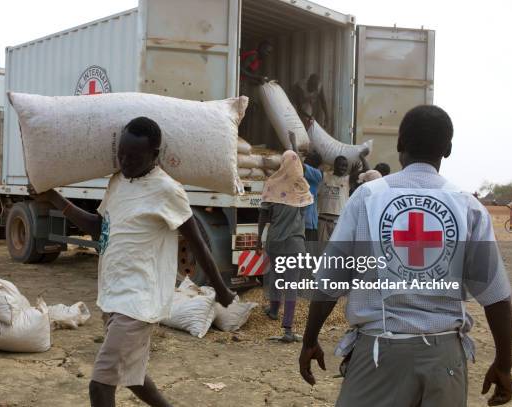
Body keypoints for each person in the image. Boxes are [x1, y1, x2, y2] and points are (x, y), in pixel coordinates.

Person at [299, 105, 512, 406]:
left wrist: (309, 341)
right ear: (448, 149)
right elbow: (497, 297)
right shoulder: (467, 207)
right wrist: (504, 364)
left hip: (379, 357)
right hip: (445, 361)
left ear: (400, 145)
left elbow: (330, 280)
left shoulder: (367, 197)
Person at [32, 117, 235, 407]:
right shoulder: (118, 181)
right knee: (130, 375)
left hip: (138, 301)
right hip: (113, 295)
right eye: (122, 155)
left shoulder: (167, 189)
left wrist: (221, 289)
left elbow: (197, 243)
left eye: (134, 157)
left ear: (155, 155)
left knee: (99, 386)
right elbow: (97, 227)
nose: (126, 162)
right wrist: (54, 198)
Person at [256, 150, 313, 343]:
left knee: (275, 276)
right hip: (295, 244)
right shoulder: (302, 187)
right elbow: (306, 211)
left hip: (275, 242)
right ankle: (287, 328)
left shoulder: (271, 184)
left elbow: (263, 216)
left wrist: (258, 237)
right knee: (291, 285)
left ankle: (273, 310)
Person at [316, 155, 366, 242]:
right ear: (335, 165)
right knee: (321, 251)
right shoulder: (324, 176)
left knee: (336, 252)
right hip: (323, 221)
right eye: (341, 165)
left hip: (338, 223)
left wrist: (361, 157)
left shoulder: (348, 179)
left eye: (345, 166)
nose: (343, 168)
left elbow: (366, 170)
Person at [239, 41, 273, 141]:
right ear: (260, 49)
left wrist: (259, 81)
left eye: (269, 53)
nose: (267, 54)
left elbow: (247, 76)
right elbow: (240, 69)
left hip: (242, 84)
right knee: (244, 111)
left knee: (247, 111)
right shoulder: (253, 55)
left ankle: (242, 137)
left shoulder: (257, 60)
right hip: (237, 84)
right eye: (266, 51)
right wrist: (257, 77)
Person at [303, 151, 323, 242]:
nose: (305, 159)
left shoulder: (317, 174)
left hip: (308, 221)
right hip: (301, 221)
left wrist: (294, 144)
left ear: (313, 162)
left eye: (308, 158)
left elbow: (298, 164)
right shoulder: (304, 173)